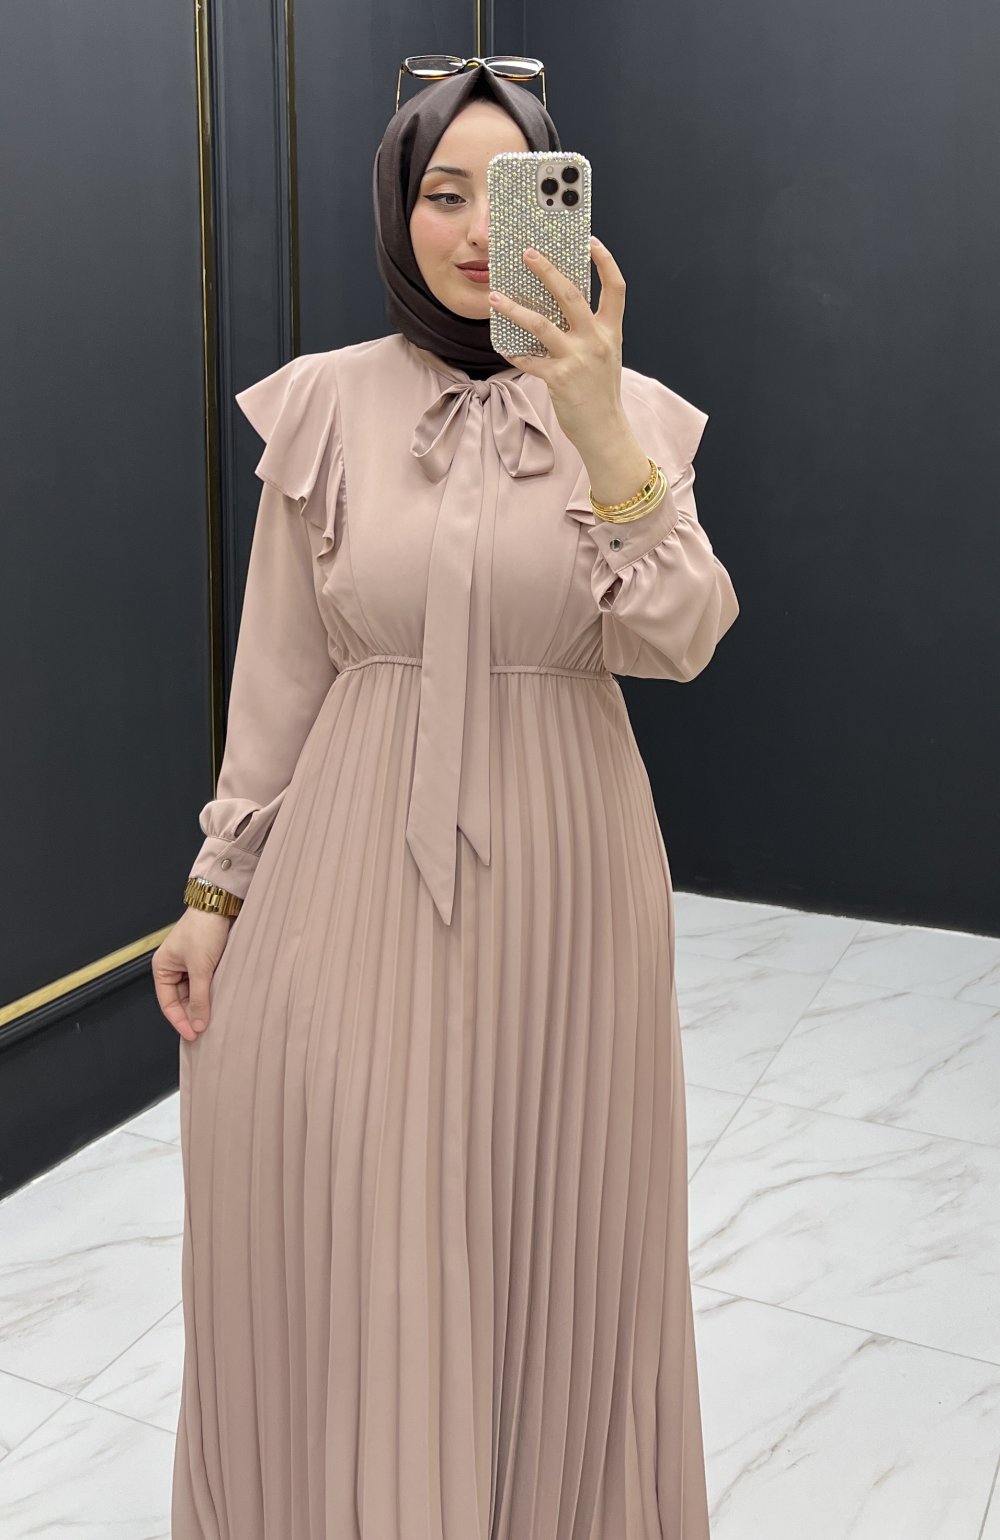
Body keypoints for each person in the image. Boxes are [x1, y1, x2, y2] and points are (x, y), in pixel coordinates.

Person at [155, 60, 738, 1540]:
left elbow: (682, 637)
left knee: (556, 1221)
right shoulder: (328, 404)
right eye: (442, 192)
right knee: (366, 1216)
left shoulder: (633, 413)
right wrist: (218, 891)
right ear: (396, 211)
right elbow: (280, 669)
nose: (479, 229)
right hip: (350, 868)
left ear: (567, 207)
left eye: (512, 191)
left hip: (567, 877)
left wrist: (595, 420)